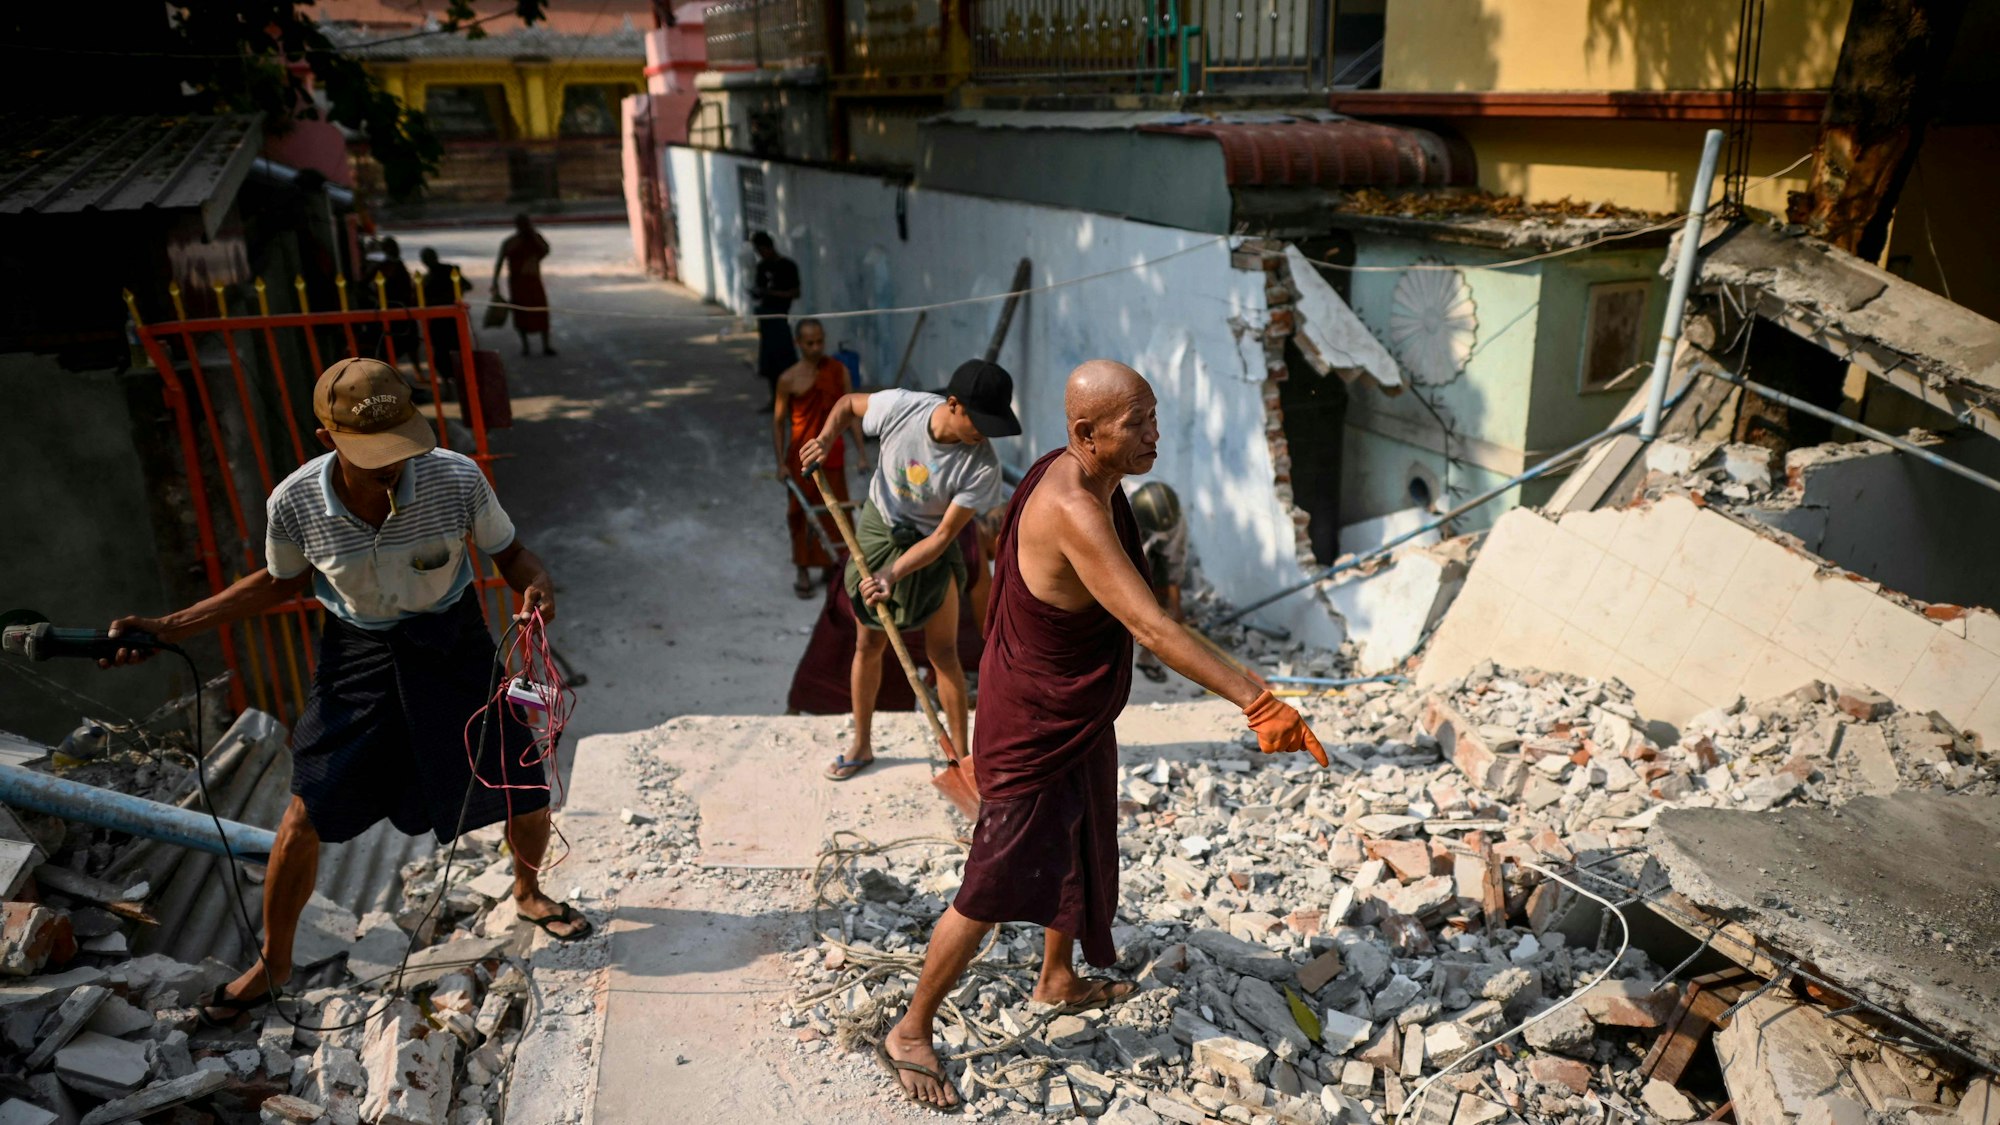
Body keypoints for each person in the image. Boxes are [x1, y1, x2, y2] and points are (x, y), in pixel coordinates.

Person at [873, 361, 1328, 1110]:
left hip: (1073, 705)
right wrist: (1258, 700)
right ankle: (912, 1028)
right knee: (991, 881)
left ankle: (1056, 978)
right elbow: (1150, 624)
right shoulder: (1074, 507)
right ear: (1086, 434)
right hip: (1034, 716)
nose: (1155, 433)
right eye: (1138, 422)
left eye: (1154, 415)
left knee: (1080, 832)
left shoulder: (1079, 470)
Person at [102, 357, 590, 1027]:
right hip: (357, 654)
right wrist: (168, 625)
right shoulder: (295, 502)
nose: (391, 465)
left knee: (521, 774)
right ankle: (274, 960)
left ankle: (529, 891)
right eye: (371, 454)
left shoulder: (455, 478)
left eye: (398, 445)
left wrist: (537, 583)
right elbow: (277, 583)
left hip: (452, 642)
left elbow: (513, 555)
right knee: (305, 809)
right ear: (325, 436)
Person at [796, 360, 1019, 782]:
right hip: (880, 528)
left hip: (930, 547)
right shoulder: (903, 407)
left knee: (944, 654)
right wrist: (825, 439)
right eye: (979, 420)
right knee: (868, 645)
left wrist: (892, 575)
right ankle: (861, 744)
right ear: (953, 405)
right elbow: (846, 404)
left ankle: (964, 761)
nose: (984, 433)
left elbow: (942, 538)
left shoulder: (981, 465)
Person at [774, 318, 869, 598]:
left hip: (832, 453)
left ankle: (834, 565)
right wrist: (780, 462)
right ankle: (803, 567)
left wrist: (862, 454)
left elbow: (849, 415)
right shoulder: (788, 379)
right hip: (800, 457)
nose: (816, 347)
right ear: (798, 343)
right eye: (809, 343)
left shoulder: (838, 371)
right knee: (799, 513)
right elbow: (779, 422)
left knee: (836, 510)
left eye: (820, 341)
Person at [1129, 480, 1188, 683]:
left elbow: (1174, 565)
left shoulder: (1172, 519)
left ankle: (1147, 657)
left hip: (1154, 555)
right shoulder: (1115, 509)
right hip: (1121, 548)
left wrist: (1175, 608)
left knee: (1160, 605)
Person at [749, 231, 799, 408]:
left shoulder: (787, 266)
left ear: (769, 247)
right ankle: (775, 400)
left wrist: (772, 293)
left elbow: (795, 293)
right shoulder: (762, 267)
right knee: (769, 363)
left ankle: (792, 400)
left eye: (762, 250)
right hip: (765, 316)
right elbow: (759, 289)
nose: (761, 254)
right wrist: (757, 292)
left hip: (780, 317)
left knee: (786, 361)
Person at [493, 213, 554, 357]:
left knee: (540, 312)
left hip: (533, 281)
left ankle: (546, 345)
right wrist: (495, 281)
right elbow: (500, 261)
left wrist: (533, 237)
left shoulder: (535, 239)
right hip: (517, 282)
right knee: (520, 313)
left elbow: (546, 250)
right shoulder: (510, 242)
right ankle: (525, 345)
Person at [363, 237, 425, 377]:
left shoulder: (398, 265)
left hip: (404, 309)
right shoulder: (382, 266)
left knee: (411, 342)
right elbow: (362, 285)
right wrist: (376, 297)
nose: (394, 251)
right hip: (390, 310)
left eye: (394, 247)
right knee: (391, 346)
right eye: (390, 248)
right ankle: (396, 376)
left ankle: (417, 372)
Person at [418, 247, 464, 389]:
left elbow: (465, 286)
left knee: (451, 352)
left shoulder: (444, 272)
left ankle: (456, 382)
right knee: (444, 353)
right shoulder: (432, 277)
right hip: (441, 321)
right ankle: (453, 383)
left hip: (448, 320)